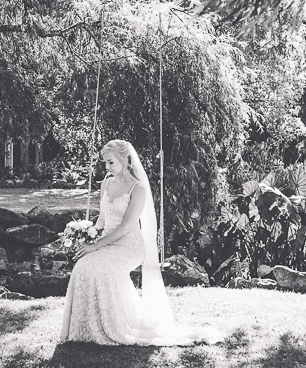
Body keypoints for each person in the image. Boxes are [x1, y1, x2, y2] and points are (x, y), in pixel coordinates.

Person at [58, 139, 221, 346]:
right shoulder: (106, 183)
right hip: (106, 242)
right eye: (105, 163)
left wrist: (96, 246)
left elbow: (126, 225)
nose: (106, 167)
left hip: (128, 246)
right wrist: (86, 234)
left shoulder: (138, 189)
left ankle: (113, 325)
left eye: (110, 162)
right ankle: (85, 328)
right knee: (83, 266)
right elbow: (102, 218)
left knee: (101, 269)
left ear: (125, 160)